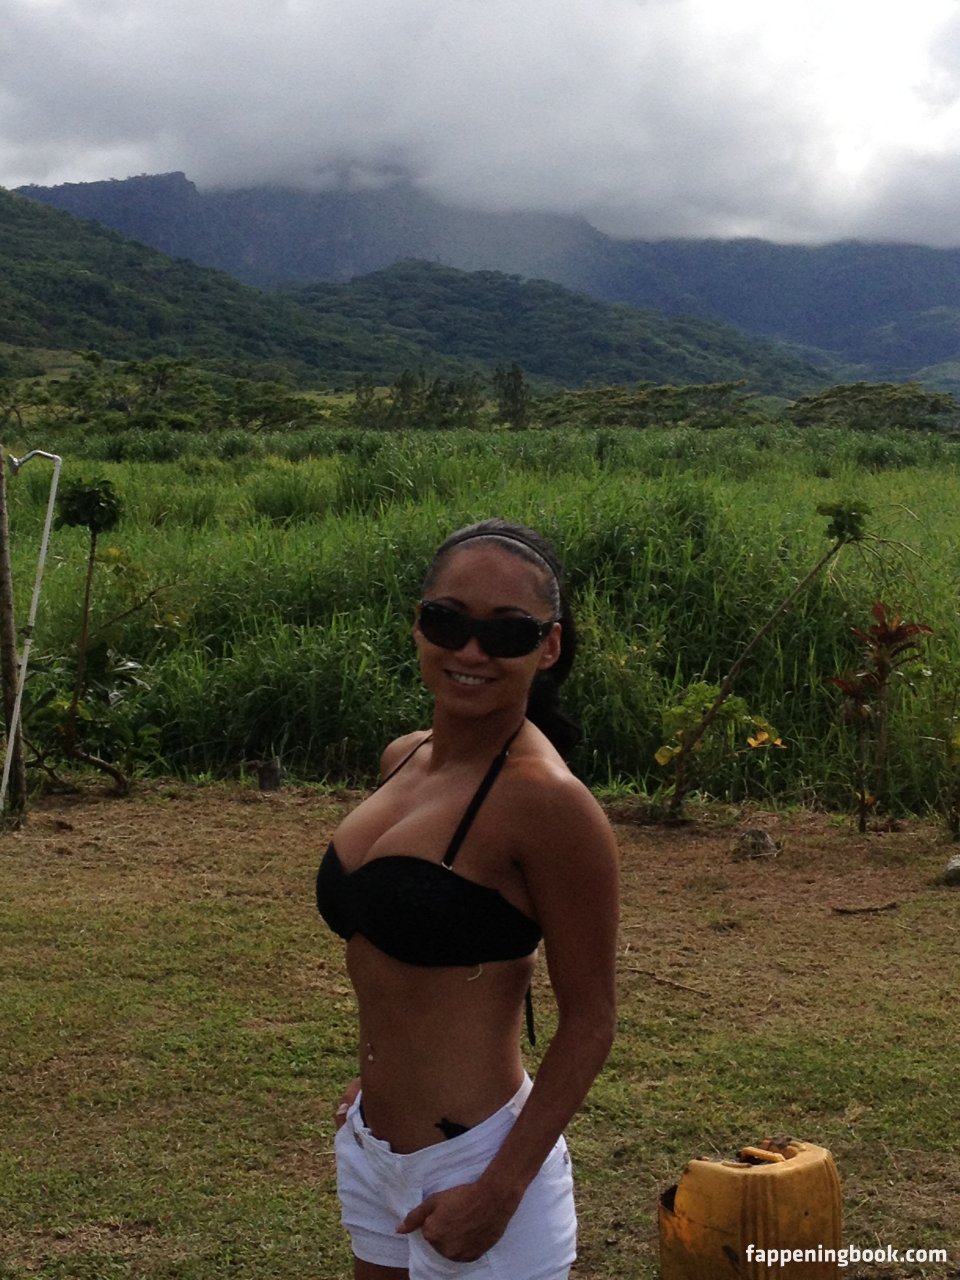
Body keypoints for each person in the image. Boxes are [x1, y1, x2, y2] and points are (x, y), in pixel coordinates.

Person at [316, 518, 620, 1280]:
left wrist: (499, 1191)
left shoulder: (549, 803)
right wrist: (382, 1083)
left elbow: (590, 1019)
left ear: (548, 647)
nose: (472, 652)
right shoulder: (403, 759)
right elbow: (391, 958)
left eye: (507, 633)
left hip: (477, 1163)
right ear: (418, 624)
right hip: (374, 1154)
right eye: (448, 621)